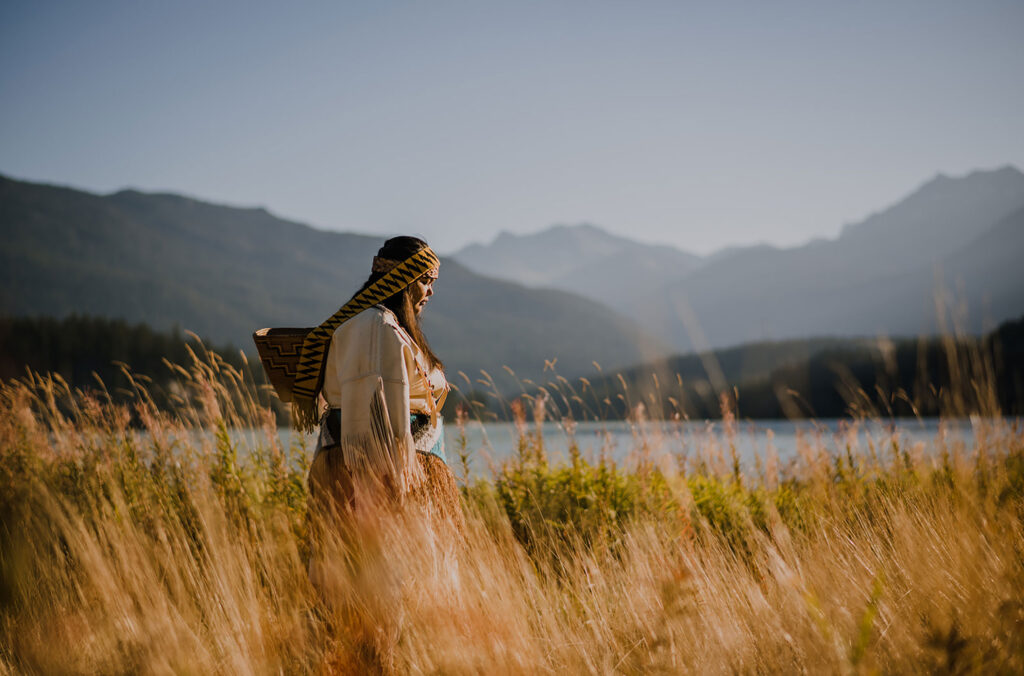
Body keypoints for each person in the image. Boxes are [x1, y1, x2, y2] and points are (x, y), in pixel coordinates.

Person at [294, 236, 464, 534]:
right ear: (405, 280)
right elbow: (370, 416)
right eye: (426, 280)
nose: (431, 291)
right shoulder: (376, 328)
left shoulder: (380, 325)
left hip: (391, 472)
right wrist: (389, 492)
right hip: (382, 480)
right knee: (388, 576)